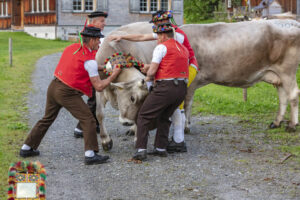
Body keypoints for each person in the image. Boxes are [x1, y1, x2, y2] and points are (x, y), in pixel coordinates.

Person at [19, 26, 121, 165]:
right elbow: (99, 86)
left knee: (47, 118)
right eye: (98, 40)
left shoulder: (72, 47)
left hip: (54, 86)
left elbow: (84, 64)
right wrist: (113, 75)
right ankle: (90, 155)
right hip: (67, 92)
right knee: (88, 120)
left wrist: (104, 67)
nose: (99, 43)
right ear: (91, 40)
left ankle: (26, 148)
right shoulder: (89, 61)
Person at [109, 10, 198, 153]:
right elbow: (142, 37)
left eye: (156, 23)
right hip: (177, 70)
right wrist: (122, 36)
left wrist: (150, 75)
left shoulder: (177, 37)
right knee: (171, 105)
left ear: (161, 23)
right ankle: (166, 144)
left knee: (176, 105)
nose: (154, 28)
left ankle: (178, 140)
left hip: (187, 67)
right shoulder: (167, 32)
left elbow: (173, 59)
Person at [132, 22, 189, 161]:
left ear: (163, 35)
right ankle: (160, 148)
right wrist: (152, 68)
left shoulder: (161, 47)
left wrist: (147, 75)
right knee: (165, 116)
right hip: (181, 89)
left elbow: (152, 71)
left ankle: (141, 150)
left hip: (166, 88)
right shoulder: (183, 48)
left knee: (143, 116)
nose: (157, 39)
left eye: (158, 36)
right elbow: (171, 65)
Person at [73, 11, 108, 138]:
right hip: (90, 69)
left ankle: (95, 124)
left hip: (92, 67)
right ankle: (80, 128)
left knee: (94, 99)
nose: (104, 23)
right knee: (94, 99)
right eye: (102, 21)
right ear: (94, 22)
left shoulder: (90, 32)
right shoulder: (91, 34)